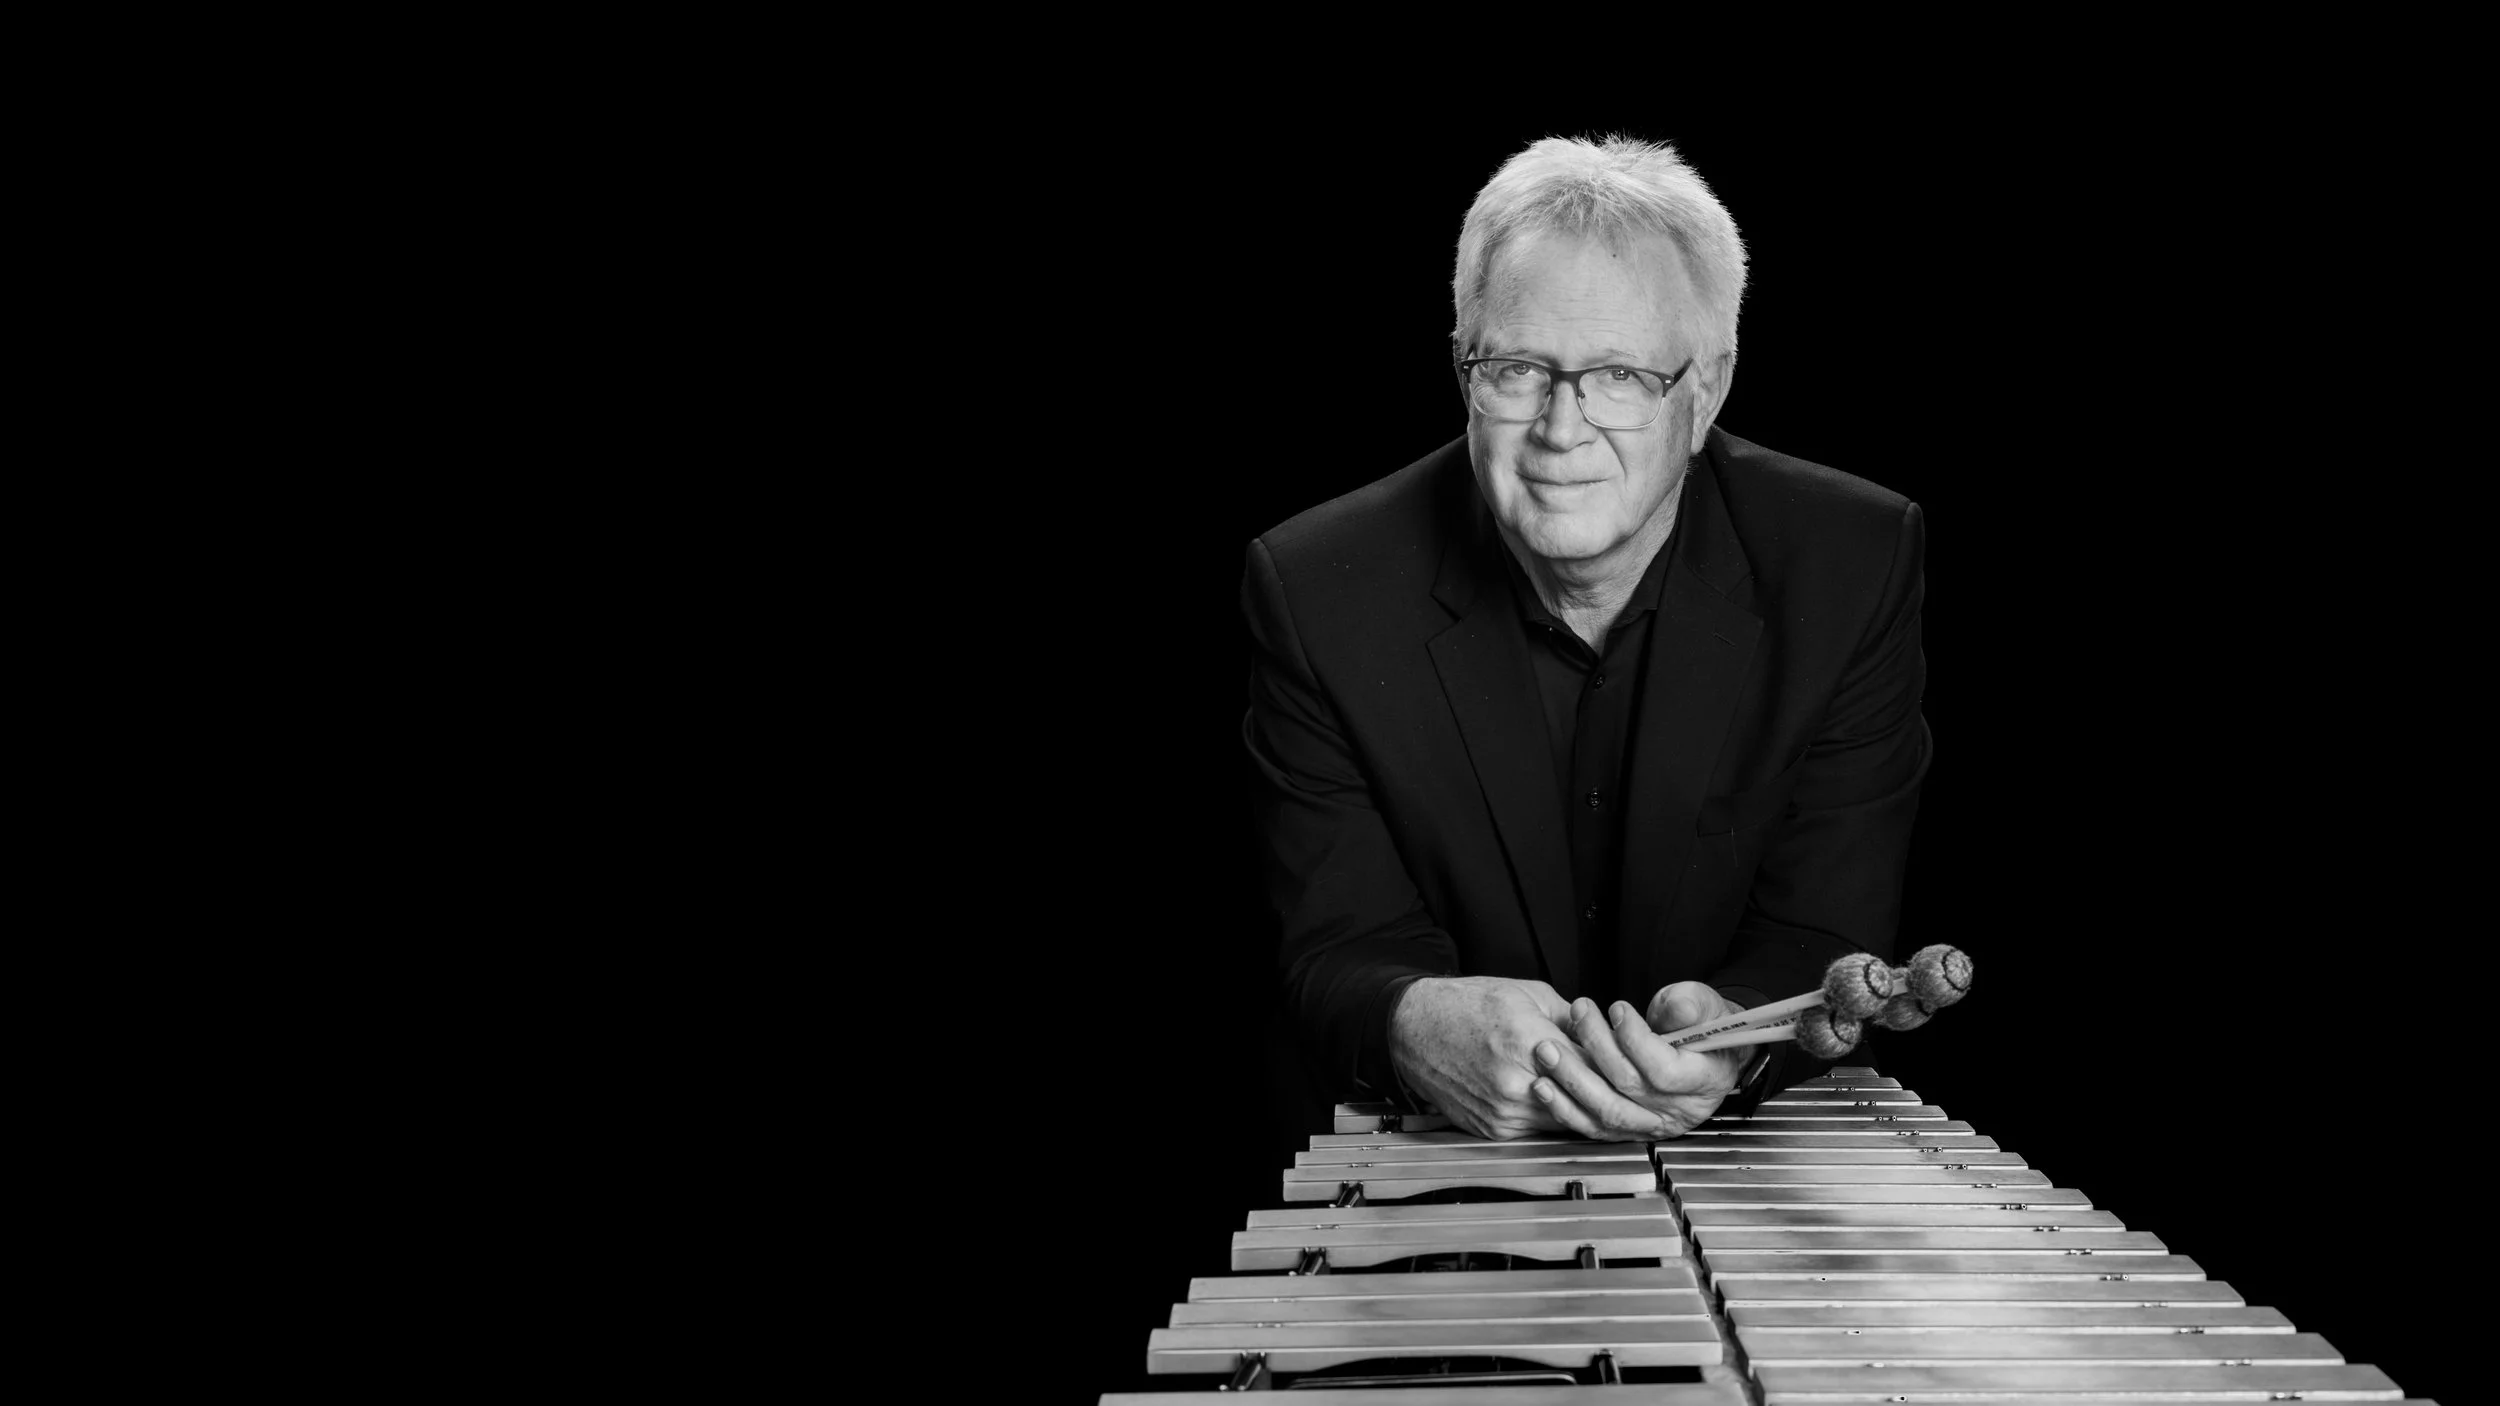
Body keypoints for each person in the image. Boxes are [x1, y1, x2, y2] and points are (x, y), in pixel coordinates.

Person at [1241, 135, 1930, 1143]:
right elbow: (1337, 941)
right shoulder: (1315, 588)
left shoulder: (1849, 563)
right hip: (1430, 1163)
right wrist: (1411, 1016)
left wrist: (1728, 1038)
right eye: (1517, 368)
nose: (1561, 429)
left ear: (1707, 388)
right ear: (1461, 366)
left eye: (1617, 374)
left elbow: (1823, 926)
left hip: (1741, 1150)